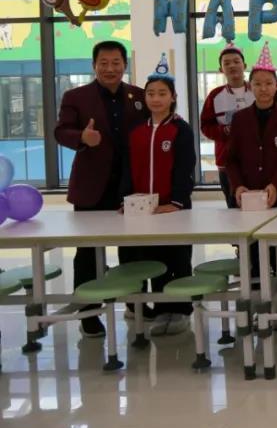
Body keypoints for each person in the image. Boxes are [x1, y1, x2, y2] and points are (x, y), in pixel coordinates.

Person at [54, 40, 149, 337]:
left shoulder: (139, 96)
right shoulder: (76, 96)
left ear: (125, 64)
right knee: (89, 252)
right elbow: (61, 131)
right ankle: (89, 312)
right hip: (92, 187)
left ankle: (136, 302)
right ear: (94, 65)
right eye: (104, 63)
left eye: (116, 62)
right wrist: (82, 138)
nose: (110, 68)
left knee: (134, 249)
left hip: (131, 185)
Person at [121, 54, 196, 336]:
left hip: (173, 208)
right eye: (151, 93)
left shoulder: (180, 129)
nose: (155, 98)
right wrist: (126, 198)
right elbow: (127, 168)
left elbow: (186, 168)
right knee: (151, 257)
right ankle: (159, 307)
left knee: (176, 257)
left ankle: (180, 309)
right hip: (143, 209)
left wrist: (176, 201)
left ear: (173, 97)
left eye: (162, 93)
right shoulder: (136, 131)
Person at [225, 43, 277, 274]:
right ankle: (258, 288)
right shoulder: (240, 118)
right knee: (255, 254)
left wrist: (276, 184)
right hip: (249, 197)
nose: (263, 88)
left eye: (269, 83)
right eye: (258, 84)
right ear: (250, 86)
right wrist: (238, 186)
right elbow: (231, 159)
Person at [199, 43, 254, 207]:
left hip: (257, 162)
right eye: (227, 63)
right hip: (227, 163)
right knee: (234, 207)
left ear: (244, 65)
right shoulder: (215, 96)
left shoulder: (258, 90)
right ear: (220, 69)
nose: (232, 66)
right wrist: (224, 131)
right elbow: (205, 126)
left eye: (236, 61)